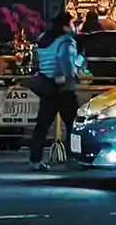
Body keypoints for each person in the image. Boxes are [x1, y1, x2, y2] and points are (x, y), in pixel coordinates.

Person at [28, 12, 82, 171]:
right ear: (65, 25)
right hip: (63, 88)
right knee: (74, 125)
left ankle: (35, 159)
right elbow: (66, 62)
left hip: (47, 86)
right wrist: (74, 71)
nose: (74, 27)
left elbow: (38, 60)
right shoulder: (66, 41)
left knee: (42, 125)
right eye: (72, 23)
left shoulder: (44, 38)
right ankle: (74, 158)